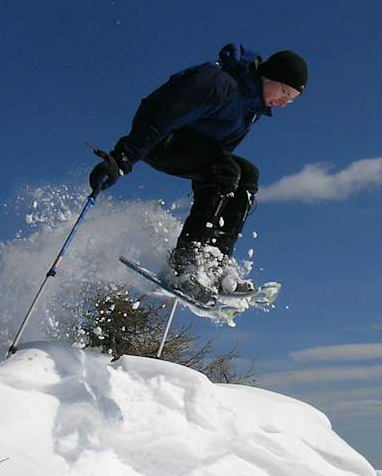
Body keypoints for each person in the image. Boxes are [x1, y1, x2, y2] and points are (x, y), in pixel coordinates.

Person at [89, 43, 306, 302]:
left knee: (247, 174)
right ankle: (183, 265)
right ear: (269, 76)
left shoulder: (251, 109)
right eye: (285, 92)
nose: (283, 103)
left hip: (191, 146)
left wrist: (209, 184)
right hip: (161, 140)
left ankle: (215, 265)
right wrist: (123, 157)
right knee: (227, 171)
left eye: (290, 100)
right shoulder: (218, 82)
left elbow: (217, 154)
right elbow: (160, 111)